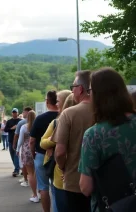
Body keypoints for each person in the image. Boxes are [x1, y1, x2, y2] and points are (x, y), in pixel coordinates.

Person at [79, 68, 136, 210]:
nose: (89, 94)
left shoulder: (94, 135)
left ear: (98, 96)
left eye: (90, 90)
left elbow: (86, 187)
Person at [52, 71, 93, 212]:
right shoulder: (105, 112)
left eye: (73, 87)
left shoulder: (68, 114)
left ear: (80, 89)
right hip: (102, 182)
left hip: (75, 181)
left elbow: (60, 152)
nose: (72, 90)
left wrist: (63, 167)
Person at [40, 90, 72, 212]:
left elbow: (43, 142)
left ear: (64, 102)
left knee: (59, 204)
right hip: (76, 171)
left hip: (60, 171)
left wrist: (53, 141)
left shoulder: (58, 121)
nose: (56, 103)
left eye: (58, 101)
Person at [30, 91, 59, 212]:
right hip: (59, 155)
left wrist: (33, 154)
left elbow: (32, 140)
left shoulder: (39, 119)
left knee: (43, 187)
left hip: (41, 155)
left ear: (47, 102)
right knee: (56, 187)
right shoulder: (63, 116)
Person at [17, 110, 40, 203]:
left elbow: (20, 140)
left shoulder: (24, 127)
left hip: (27, 150)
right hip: (37, 150)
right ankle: (40, 192)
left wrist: (18, 149)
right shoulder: (38, 126)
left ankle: (35, 194)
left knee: (30, 173)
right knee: (37, 173)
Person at [14, 106, 33, 185]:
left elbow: (20, 139)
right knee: (34, 170)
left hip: (26, 148)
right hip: (35, 148)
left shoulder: (23, 125)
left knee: (24, 164)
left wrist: (17, 149)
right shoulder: (37, 124)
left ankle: (26, 180)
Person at [4, 108, 21, 177]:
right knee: (12, 155)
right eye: (13, 112)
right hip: (11, 140)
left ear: (17, 113)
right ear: (12, 113)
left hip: (19, 140)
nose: (14, 114)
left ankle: (16, 170)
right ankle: (18, 167)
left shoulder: (20, 121)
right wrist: (12, 128)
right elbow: (5, 130)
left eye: (15, 112)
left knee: (16, 155)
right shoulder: (9, 121)